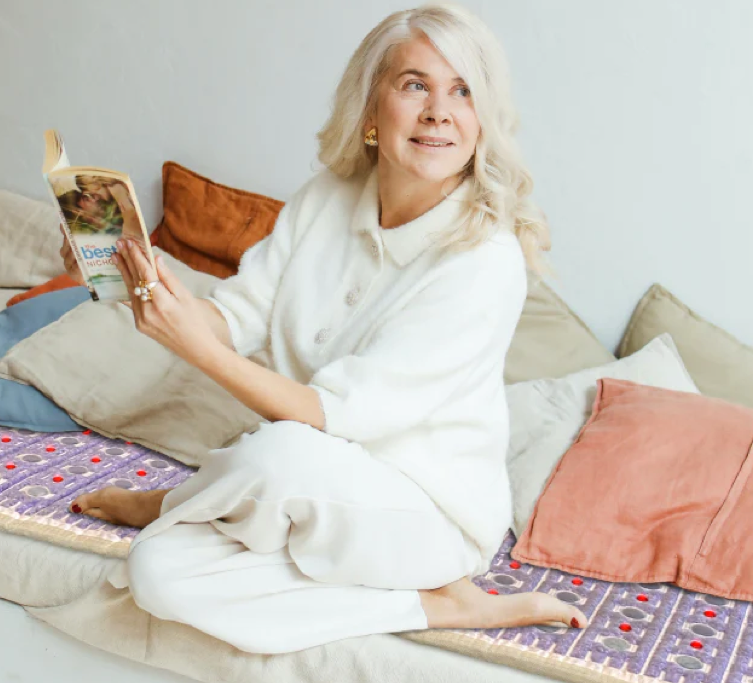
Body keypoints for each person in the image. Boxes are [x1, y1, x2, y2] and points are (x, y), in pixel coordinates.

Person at [59, 1, 587, 655]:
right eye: (415, 84)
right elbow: (234, 317)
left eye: (463, 91)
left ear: (483, 121)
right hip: (309, 488)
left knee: (273, 453)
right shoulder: (326, 200)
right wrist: (136, 277)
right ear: (370, 111)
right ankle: (426, 602)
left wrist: (191, 346)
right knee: (157, 573)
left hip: (424, 513)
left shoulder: (485, 261)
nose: (439, 112)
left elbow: (331, 417)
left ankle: (177, 503)